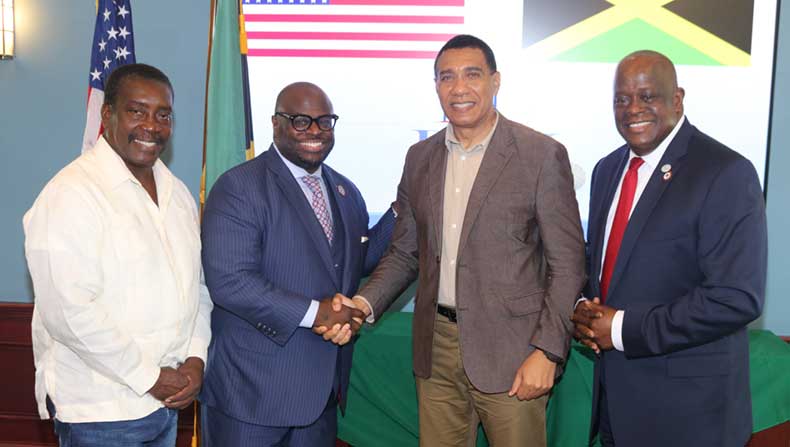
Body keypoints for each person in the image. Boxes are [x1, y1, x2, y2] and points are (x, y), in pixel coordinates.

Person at [332, 35, 586, 446]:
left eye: (472, 75)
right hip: (437, 350)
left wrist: (548, 351)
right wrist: (363, 304)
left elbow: (568, 264)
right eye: (446, 77)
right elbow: (404, 252)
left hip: (515, 351)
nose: (459, 88)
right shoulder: (420, 158)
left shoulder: (540, 155)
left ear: (495, 81)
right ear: (436, 86)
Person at [572, 50, 766, 446]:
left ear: (677, 99)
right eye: (621, 99)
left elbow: (735, 297)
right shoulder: (608, 169)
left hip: (690, 417)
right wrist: (581, 308)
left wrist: (622, 328)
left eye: (647, 96)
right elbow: (599, 264)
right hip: (617, 408)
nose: (632, 109)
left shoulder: (725, 172)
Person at [24, 63, 212, 446]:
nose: (151, 126)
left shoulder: (177, 194)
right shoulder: (71, 195)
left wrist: (195, 359)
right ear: (107, 115)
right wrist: (150, 377)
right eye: (137, 111)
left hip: (166, 403)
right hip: (101, 412)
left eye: (163, 115)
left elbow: (198, 286)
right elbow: (69, 312)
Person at [199, 82, 396, 447]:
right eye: (301, 121)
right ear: (276, 123)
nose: (315, 132)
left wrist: (405, 204)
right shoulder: (239, 187)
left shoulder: (345, 191)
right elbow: (231, 282)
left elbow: (357, 261)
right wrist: (318, 314)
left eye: (325, 122)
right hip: (250, 398)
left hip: (319, 399)